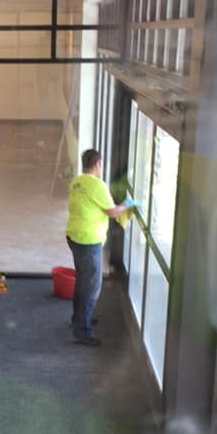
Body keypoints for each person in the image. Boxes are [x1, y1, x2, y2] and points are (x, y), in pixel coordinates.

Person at [66, 148, 133, 346]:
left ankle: (78, 318)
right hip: (88, 241)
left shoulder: (76, 182)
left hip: (74, 237)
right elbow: (112, 212)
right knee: (92, 286)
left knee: (82, 281)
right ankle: (82, 331)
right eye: (101, 164)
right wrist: (128, 204)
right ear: (98, 165)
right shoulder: (97, 185)